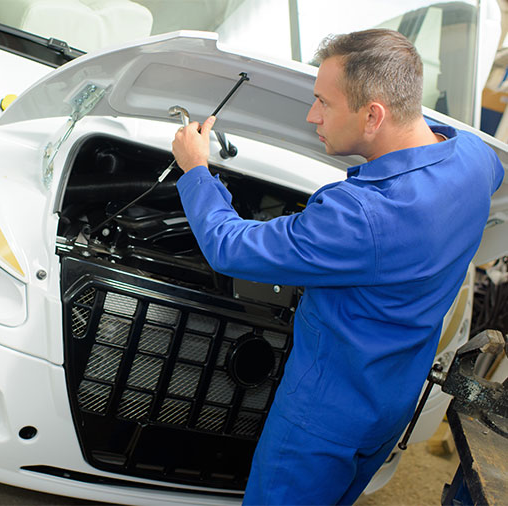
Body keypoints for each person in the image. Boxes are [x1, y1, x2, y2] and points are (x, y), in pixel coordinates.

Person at [172, 29, 504, 505]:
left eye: (323, 103)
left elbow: (230, 247)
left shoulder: (362, 216)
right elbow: (488, 171)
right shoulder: (474, 159)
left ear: (373, 114)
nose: (312, 116)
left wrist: (196, 171)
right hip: (390, 403)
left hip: (322, 423)